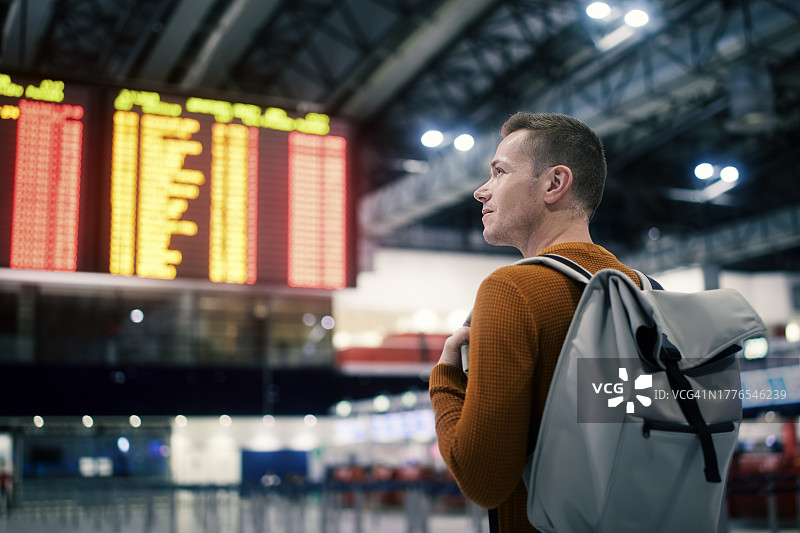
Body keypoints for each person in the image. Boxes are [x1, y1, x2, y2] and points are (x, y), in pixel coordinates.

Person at [429, 112, 642, 532]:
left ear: (553, 183)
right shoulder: (644, 291)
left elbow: (483, 481)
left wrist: (446, 379)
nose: (480, 191)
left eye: (499, 171)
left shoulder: (513, 291)